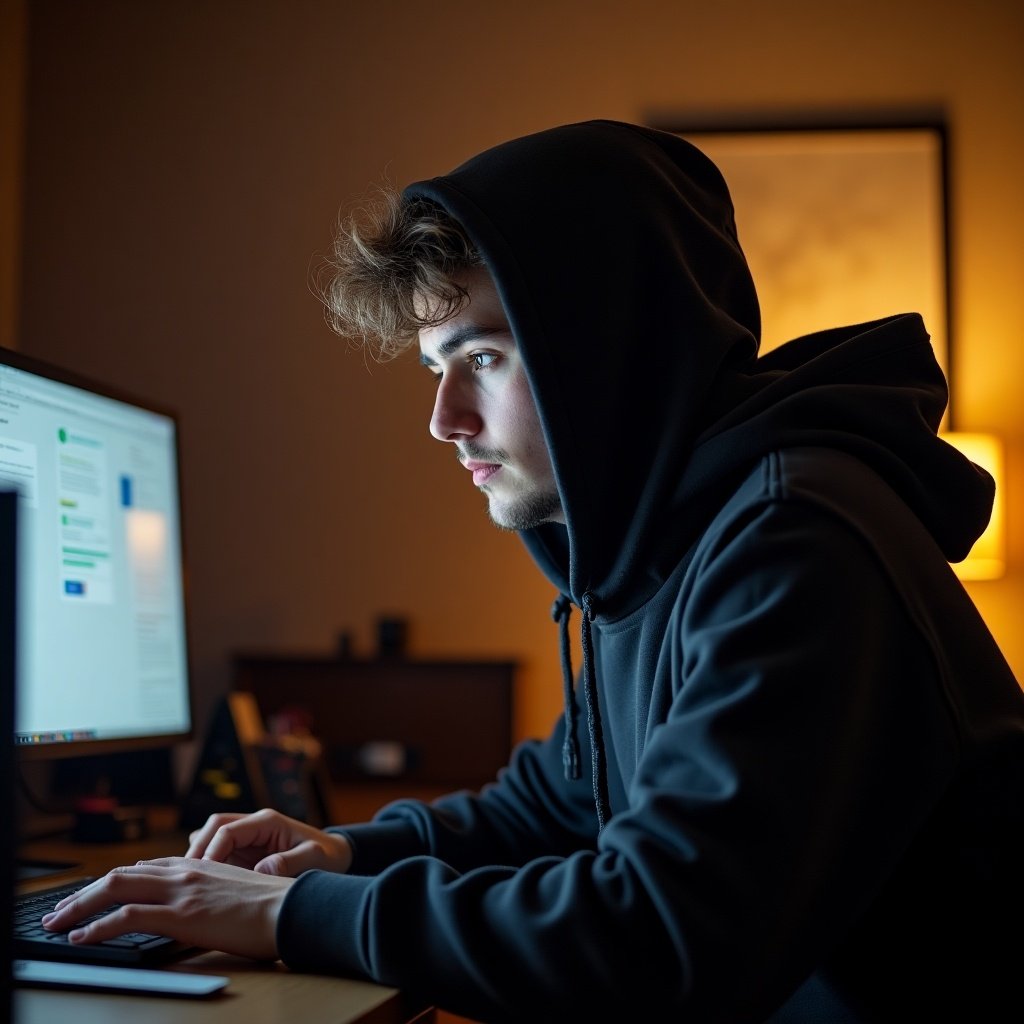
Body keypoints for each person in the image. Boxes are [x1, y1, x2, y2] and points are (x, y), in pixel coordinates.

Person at [43, 120, 1023, 1022]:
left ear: (611, 350)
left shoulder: (797, 541)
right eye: (436, 367)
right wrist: (344, 852)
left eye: (484, 358)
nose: (445, 420)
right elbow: (559, 802)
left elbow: (657, 941)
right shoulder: (662, 549)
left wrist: (296, 912)